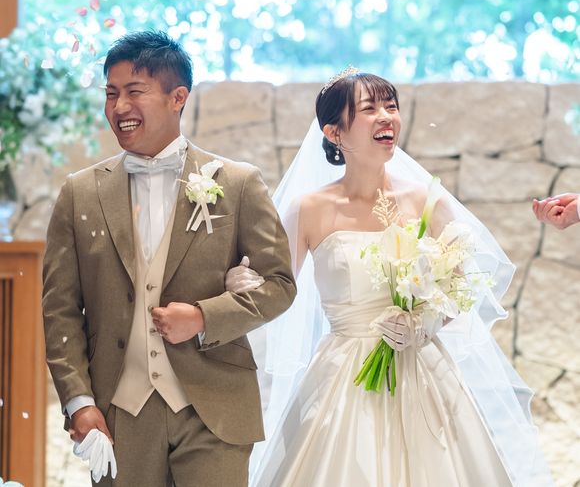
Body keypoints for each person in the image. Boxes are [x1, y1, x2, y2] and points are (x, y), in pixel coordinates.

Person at [227, 69, 553, 486]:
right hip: (343, 375)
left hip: (424, 370)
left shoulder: (427, 200)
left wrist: (424, 322)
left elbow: (459, 288)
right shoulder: (308, 209)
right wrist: (244, 283)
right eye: (370, 108)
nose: (386, 117)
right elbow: (277, 287)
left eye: (391, 106)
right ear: (334, 132)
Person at [42, 31, 296, 487]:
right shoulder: (80, 193)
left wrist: (203, 317)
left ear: (178, 97)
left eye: (134, 91)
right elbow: (59, 309)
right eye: (111, 94)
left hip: (215, 410)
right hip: (119, 413)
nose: (119, 107)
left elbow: (280, 284)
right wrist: (79, 402)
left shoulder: (237, 183)